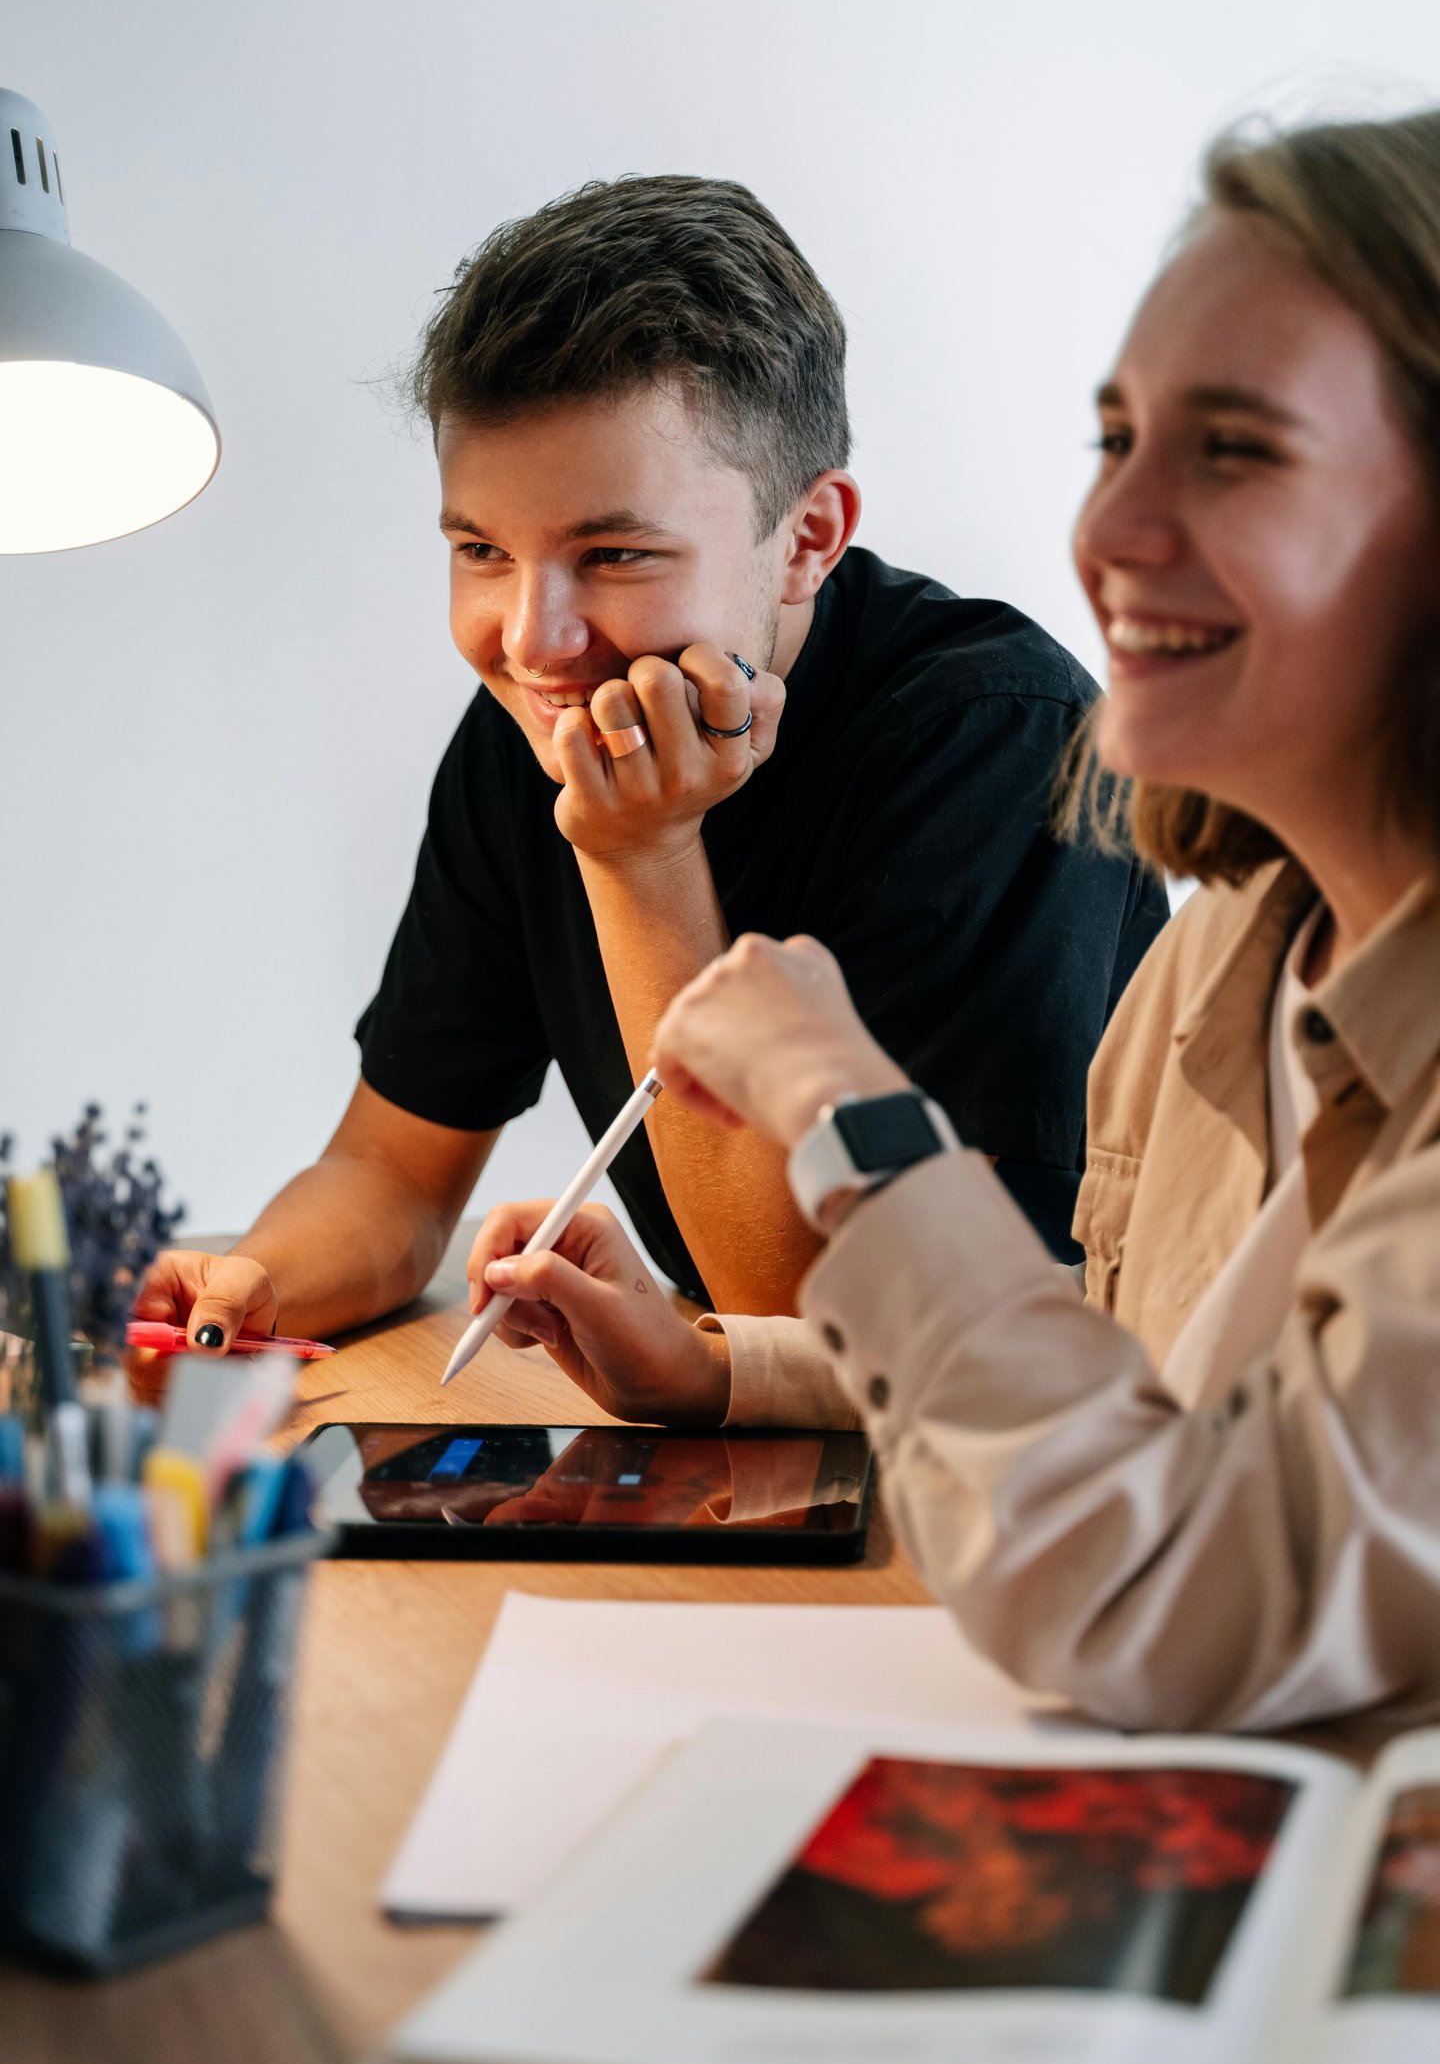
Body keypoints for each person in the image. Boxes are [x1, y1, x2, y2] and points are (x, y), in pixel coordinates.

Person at [469, 110, 1440, 1736]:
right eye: (1117, 440)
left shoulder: (978, 735)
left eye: (1238, 449)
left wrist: (861, 1120)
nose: (1110, 535)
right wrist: (726, 1372)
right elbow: (1138, 1383)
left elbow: (1156, 1592)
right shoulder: (1229, 952)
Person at [138, 175, 1163, 1344]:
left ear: (807, 539)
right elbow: (393, 1173)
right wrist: (255, 1286)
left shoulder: (1003, 738)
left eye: (614, 553)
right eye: (481, 548)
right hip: (744, 1435)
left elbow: (842, 1333)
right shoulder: (532, 732)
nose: (531, 640)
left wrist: (642, 860)